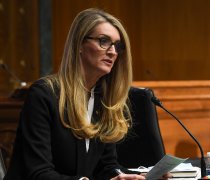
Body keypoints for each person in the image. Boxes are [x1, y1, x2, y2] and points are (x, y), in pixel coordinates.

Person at [4, 8, 167, 180]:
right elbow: (38, 172)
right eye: (104, 41)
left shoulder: (102, 99)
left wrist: (133, 176)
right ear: (79, 44)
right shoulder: (44, 94)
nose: (112, 51)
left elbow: (106, 166)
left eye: (117, 46)